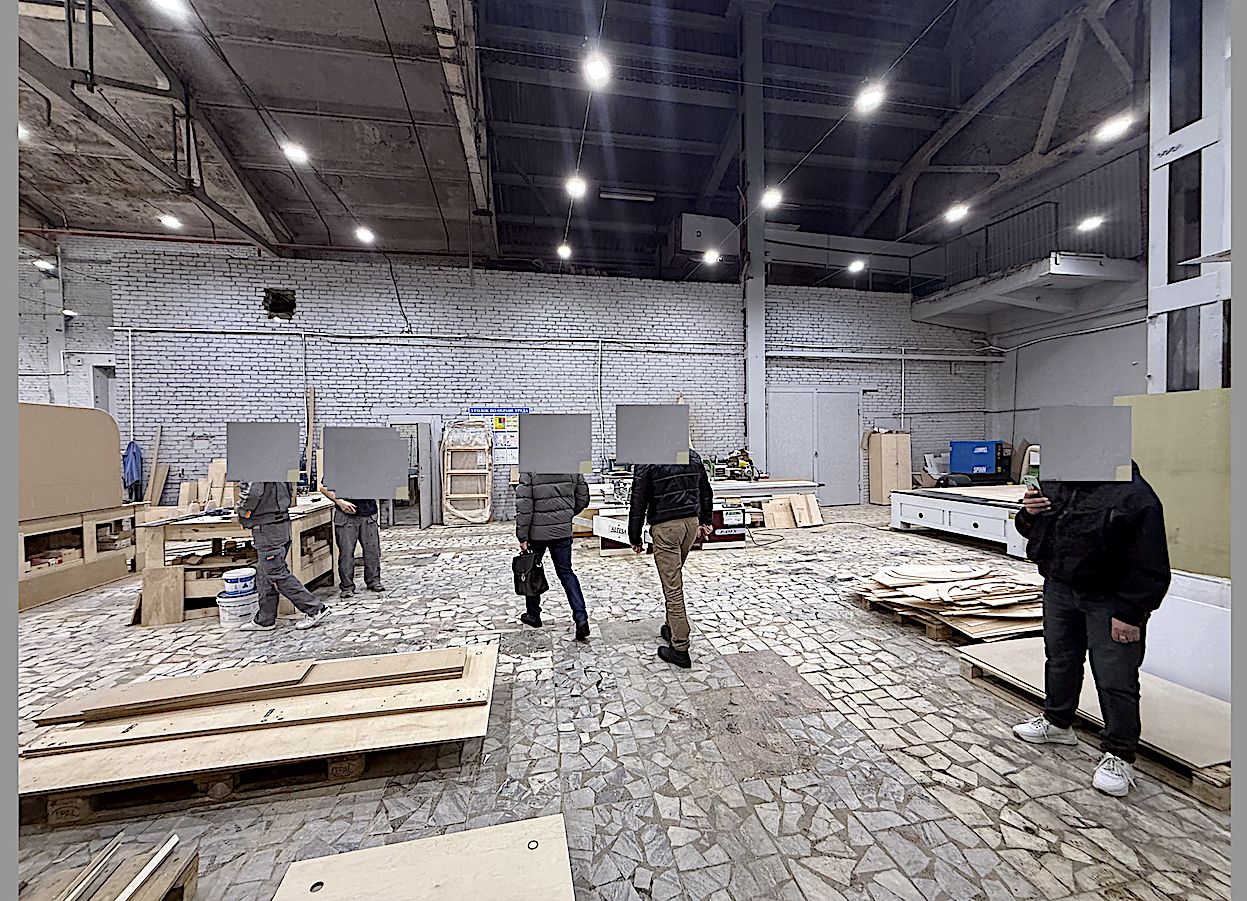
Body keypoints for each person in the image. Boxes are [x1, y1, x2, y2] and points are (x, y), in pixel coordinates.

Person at [1011, 460, 1170, 797]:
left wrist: (1131, 612)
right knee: (1060, 660)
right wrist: (1029, 514)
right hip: (1060, 587)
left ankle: (1120, 754)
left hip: (1110, 599)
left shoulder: (1133, 494)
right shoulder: (1058, 483)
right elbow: (1035, 531)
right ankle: (1058, 722)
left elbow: (1150, 559)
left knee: (1115, 678)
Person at [628, 448, 713, 669]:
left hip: (666, 528)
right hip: (690, 524)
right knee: (673, 578)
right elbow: (705, 490)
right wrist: (706, 520)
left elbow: (638, 501)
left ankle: (680, 647)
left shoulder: (646, 459)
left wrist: (634, 536)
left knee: (672, 588)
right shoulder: (691, 455)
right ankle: (671, 627)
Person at [236, 481, 332, 632]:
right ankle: (265, 620)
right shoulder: (280, 466)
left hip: (267, 526)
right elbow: (291, 486)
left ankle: (315, 608)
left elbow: (253, 492)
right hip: (280, 522)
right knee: (264, 573)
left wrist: (242, 511)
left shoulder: (256, 468)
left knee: (276, 572)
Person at [515, 472, 591, 641]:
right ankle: (581, 618)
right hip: (562, 532)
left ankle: (533, 615)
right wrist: (566, 515)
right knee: (566, 573)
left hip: (536, 533)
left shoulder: (530, 468)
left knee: (531, 571)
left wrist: (522, 536)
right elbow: (583, 498)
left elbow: (524, 505)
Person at [320, 485, 384, 599]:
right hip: (345, 516)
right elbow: (323, 487)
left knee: (373, 551)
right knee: (346, 553)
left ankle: (374, 581)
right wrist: (340, 502)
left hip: (369, 515)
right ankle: (347, 587)